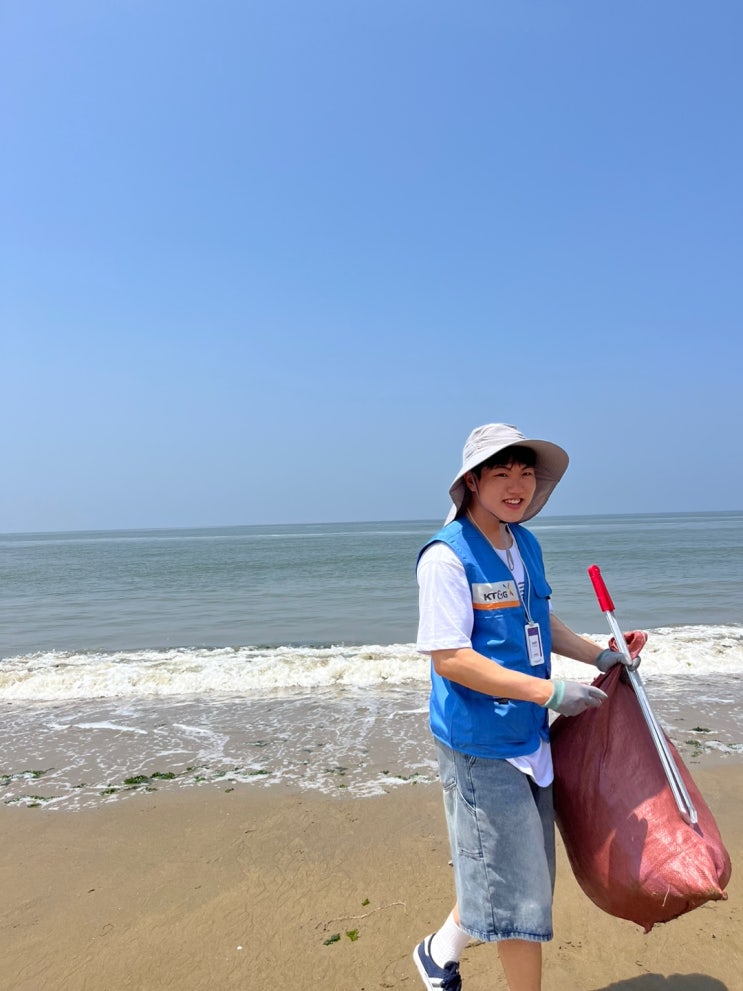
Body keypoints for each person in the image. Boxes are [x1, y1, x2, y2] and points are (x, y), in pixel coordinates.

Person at [412, 423, 646, 991]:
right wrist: (550, 692)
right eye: (501, 474)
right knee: (521, 897)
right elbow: (450, 658)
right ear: (472, 481)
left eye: (525, 474)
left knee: (512, 871)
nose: (516, 486)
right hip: (480, 745)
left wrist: (599, 655)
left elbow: (538, 619)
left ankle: (437, 953)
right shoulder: (445, 558)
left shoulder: (524, 544)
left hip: (528, 733)